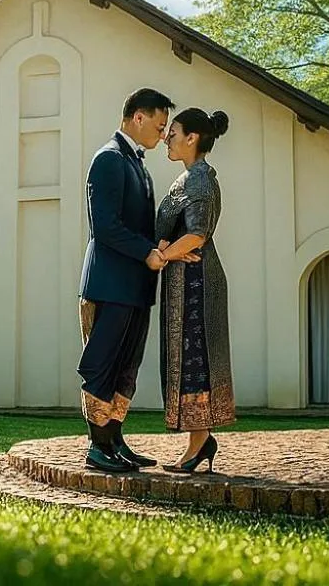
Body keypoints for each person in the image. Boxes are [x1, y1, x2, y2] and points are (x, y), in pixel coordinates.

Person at [77, 87, 175, 473]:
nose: (164, 133)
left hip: (135, 287)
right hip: (108, 284)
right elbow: (105, 227)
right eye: (160, 123)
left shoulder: (138, 164)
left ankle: (116, 441)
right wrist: (147, 252)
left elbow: (133, 225)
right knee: (102, 363)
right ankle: (97, 446)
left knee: (127, 367)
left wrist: (159, 245)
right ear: (138, 117)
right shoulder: (108, 159)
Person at [154, 107, 234, 473]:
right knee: (187, 360)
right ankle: (199, 440)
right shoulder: (186, 178)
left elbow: (198, 233)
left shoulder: (199, 180)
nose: (167, 138)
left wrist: (164, 256)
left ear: (193, 138)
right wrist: (167, 248)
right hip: (185, 279)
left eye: (173, 132)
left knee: (194, 360)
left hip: (197, 283)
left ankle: (200, 441)